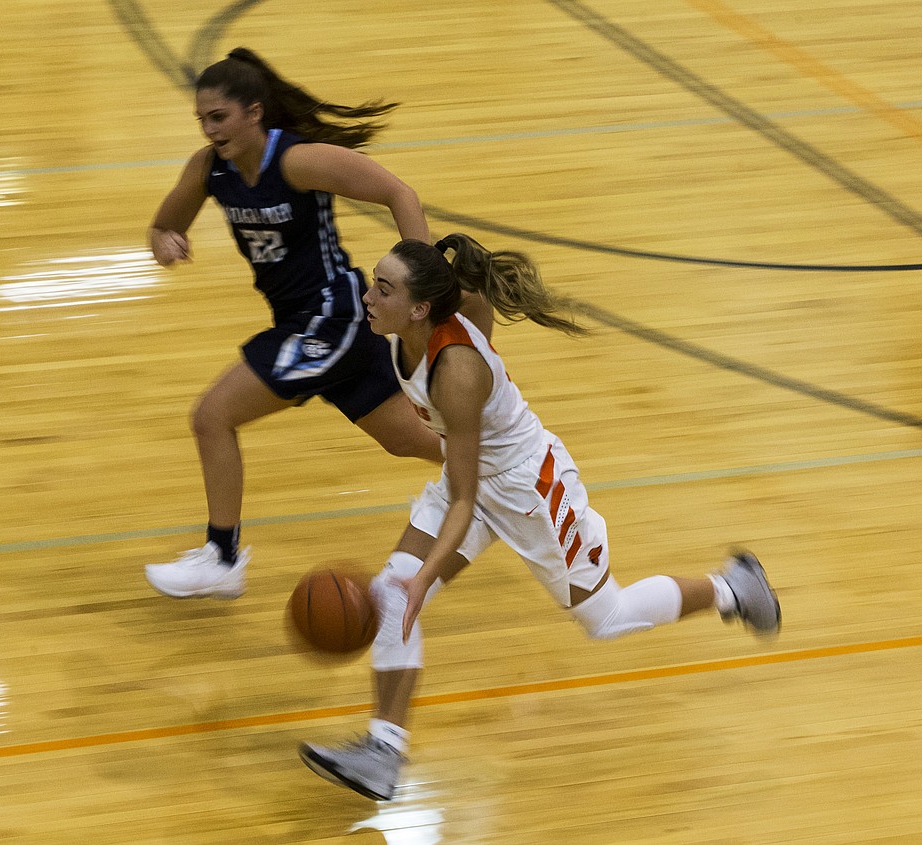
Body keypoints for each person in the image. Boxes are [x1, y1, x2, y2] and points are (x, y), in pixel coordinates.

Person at [298, 234, 782, 801]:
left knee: (608, 618)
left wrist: (426, 575)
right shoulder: (409, 327)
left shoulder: (456, 370)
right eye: (373, 282)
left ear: (420, 307)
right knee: (392, 593)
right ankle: (384, 751)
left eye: (383, 288)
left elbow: (462, 498)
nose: (369, 294)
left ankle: (732, 588)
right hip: (472, 475)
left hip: (529, 487)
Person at [142, 48, 445, 600]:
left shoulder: (296, 161)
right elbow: (165, 223)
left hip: (333, 317)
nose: (210, 130)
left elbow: (399, 193)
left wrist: (419, 277)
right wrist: (166, 240)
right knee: (409, 441)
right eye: (202, 121)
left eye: (219, 117)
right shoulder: (209, 169)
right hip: (314, 325)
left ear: (254, 113)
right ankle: (513, 475)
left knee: (212, 416)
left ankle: (222, 556)